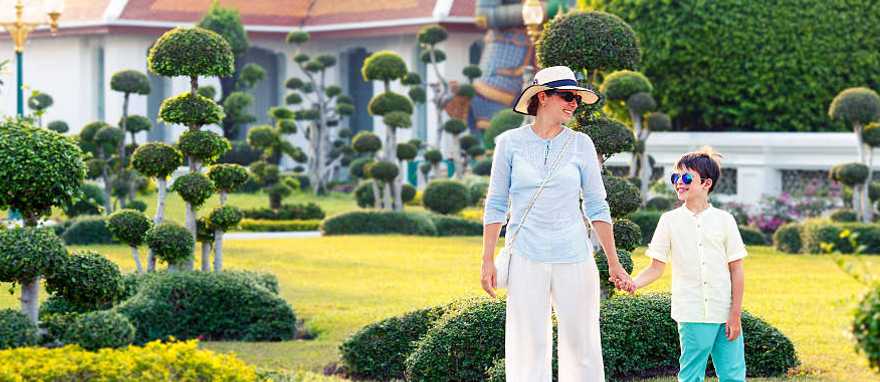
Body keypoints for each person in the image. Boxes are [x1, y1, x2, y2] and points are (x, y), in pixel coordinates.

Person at [480, 65, 633, 381]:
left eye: (576, 98)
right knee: (527, 345)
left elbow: (596, 205)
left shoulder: (581, 144)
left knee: (582, 344)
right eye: (566, 96)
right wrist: (487, 260)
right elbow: (495, 204)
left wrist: (614, 263)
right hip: (525, 254)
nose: (573, 104)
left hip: (574, 254)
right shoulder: (508, 143)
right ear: (543, 97)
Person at [629, 147, 747, 382]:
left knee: (733, 375)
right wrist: (634, 283)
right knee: (691, 375)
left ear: (706, 183)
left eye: (686, 178)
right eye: (675, 177)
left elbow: (737, 270)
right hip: (691, 311)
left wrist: (735, 314)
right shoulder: (669, 221)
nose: (679, 183)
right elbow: (655, 267)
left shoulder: (725, 220)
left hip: (724, 310)